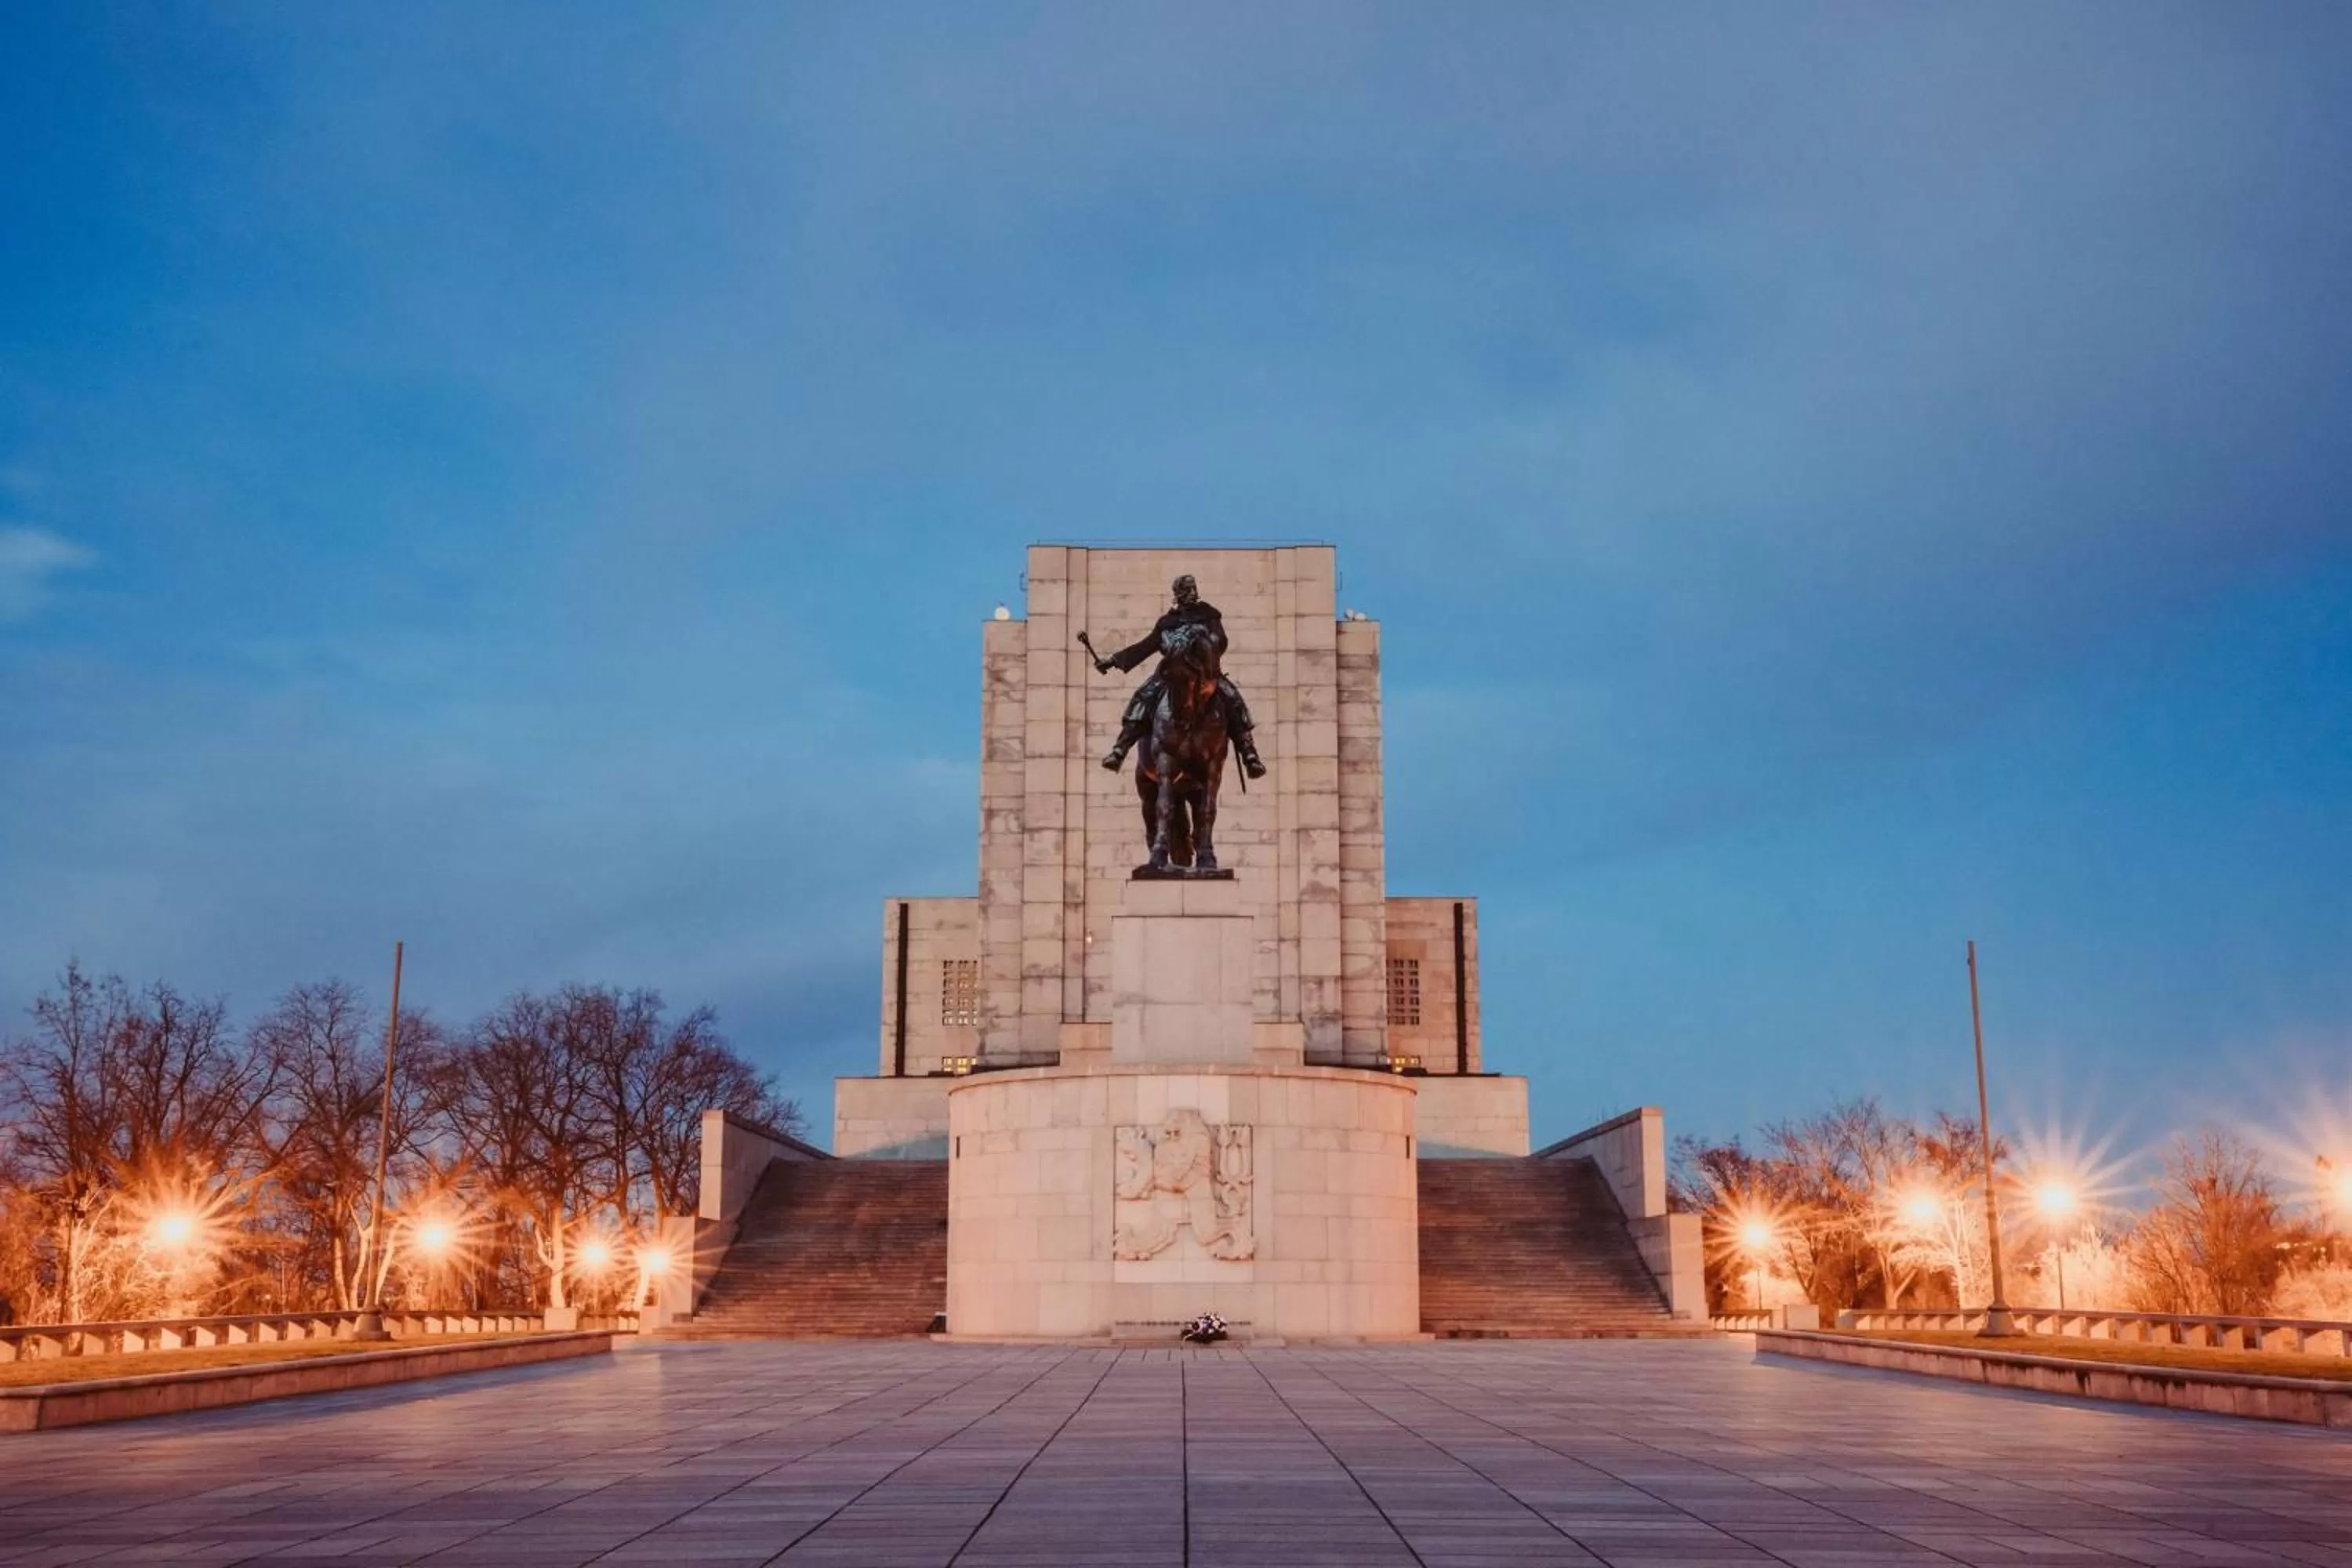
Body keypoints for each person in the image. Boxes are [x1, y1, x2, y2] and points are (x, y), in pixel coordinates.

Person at [1093, 575, 1267, 778]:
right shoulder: (1167, 622)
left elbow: (1221, 641)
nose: (1192, 593)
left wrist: (1205, 643)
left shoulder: (1209, 615)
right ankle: (1119, 750)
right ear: (1178, 594)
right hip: (1170, 674)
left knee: (1232, 698)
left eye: (1194, 588)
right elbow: (1145, 647)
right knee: (1143, 696)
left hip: (1206, 673)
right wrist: (1113, 661)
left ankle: (1249, 754)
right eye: (1187, 589)